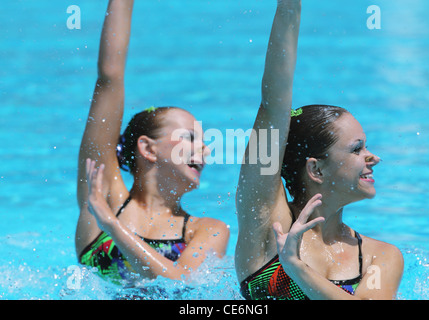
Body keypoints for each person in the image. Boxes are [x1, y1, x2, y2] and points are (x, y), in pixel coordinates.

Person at [235, 0, 403, 300]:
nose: (373, 157)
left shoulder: (381, 257)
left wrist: (296, 267)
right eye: (357, 149)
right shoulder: (266, 226)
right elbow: (273, 107)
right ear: (316, 169)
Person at [75, 0, 229, 285]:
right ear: (148, 148)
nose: (205, 150)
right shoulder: (104, 194)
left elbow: (181, 282)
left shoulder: (209, 230)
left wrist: (111, 225)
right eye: (190, 138)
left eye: (204, 141)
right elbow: (109, 78)